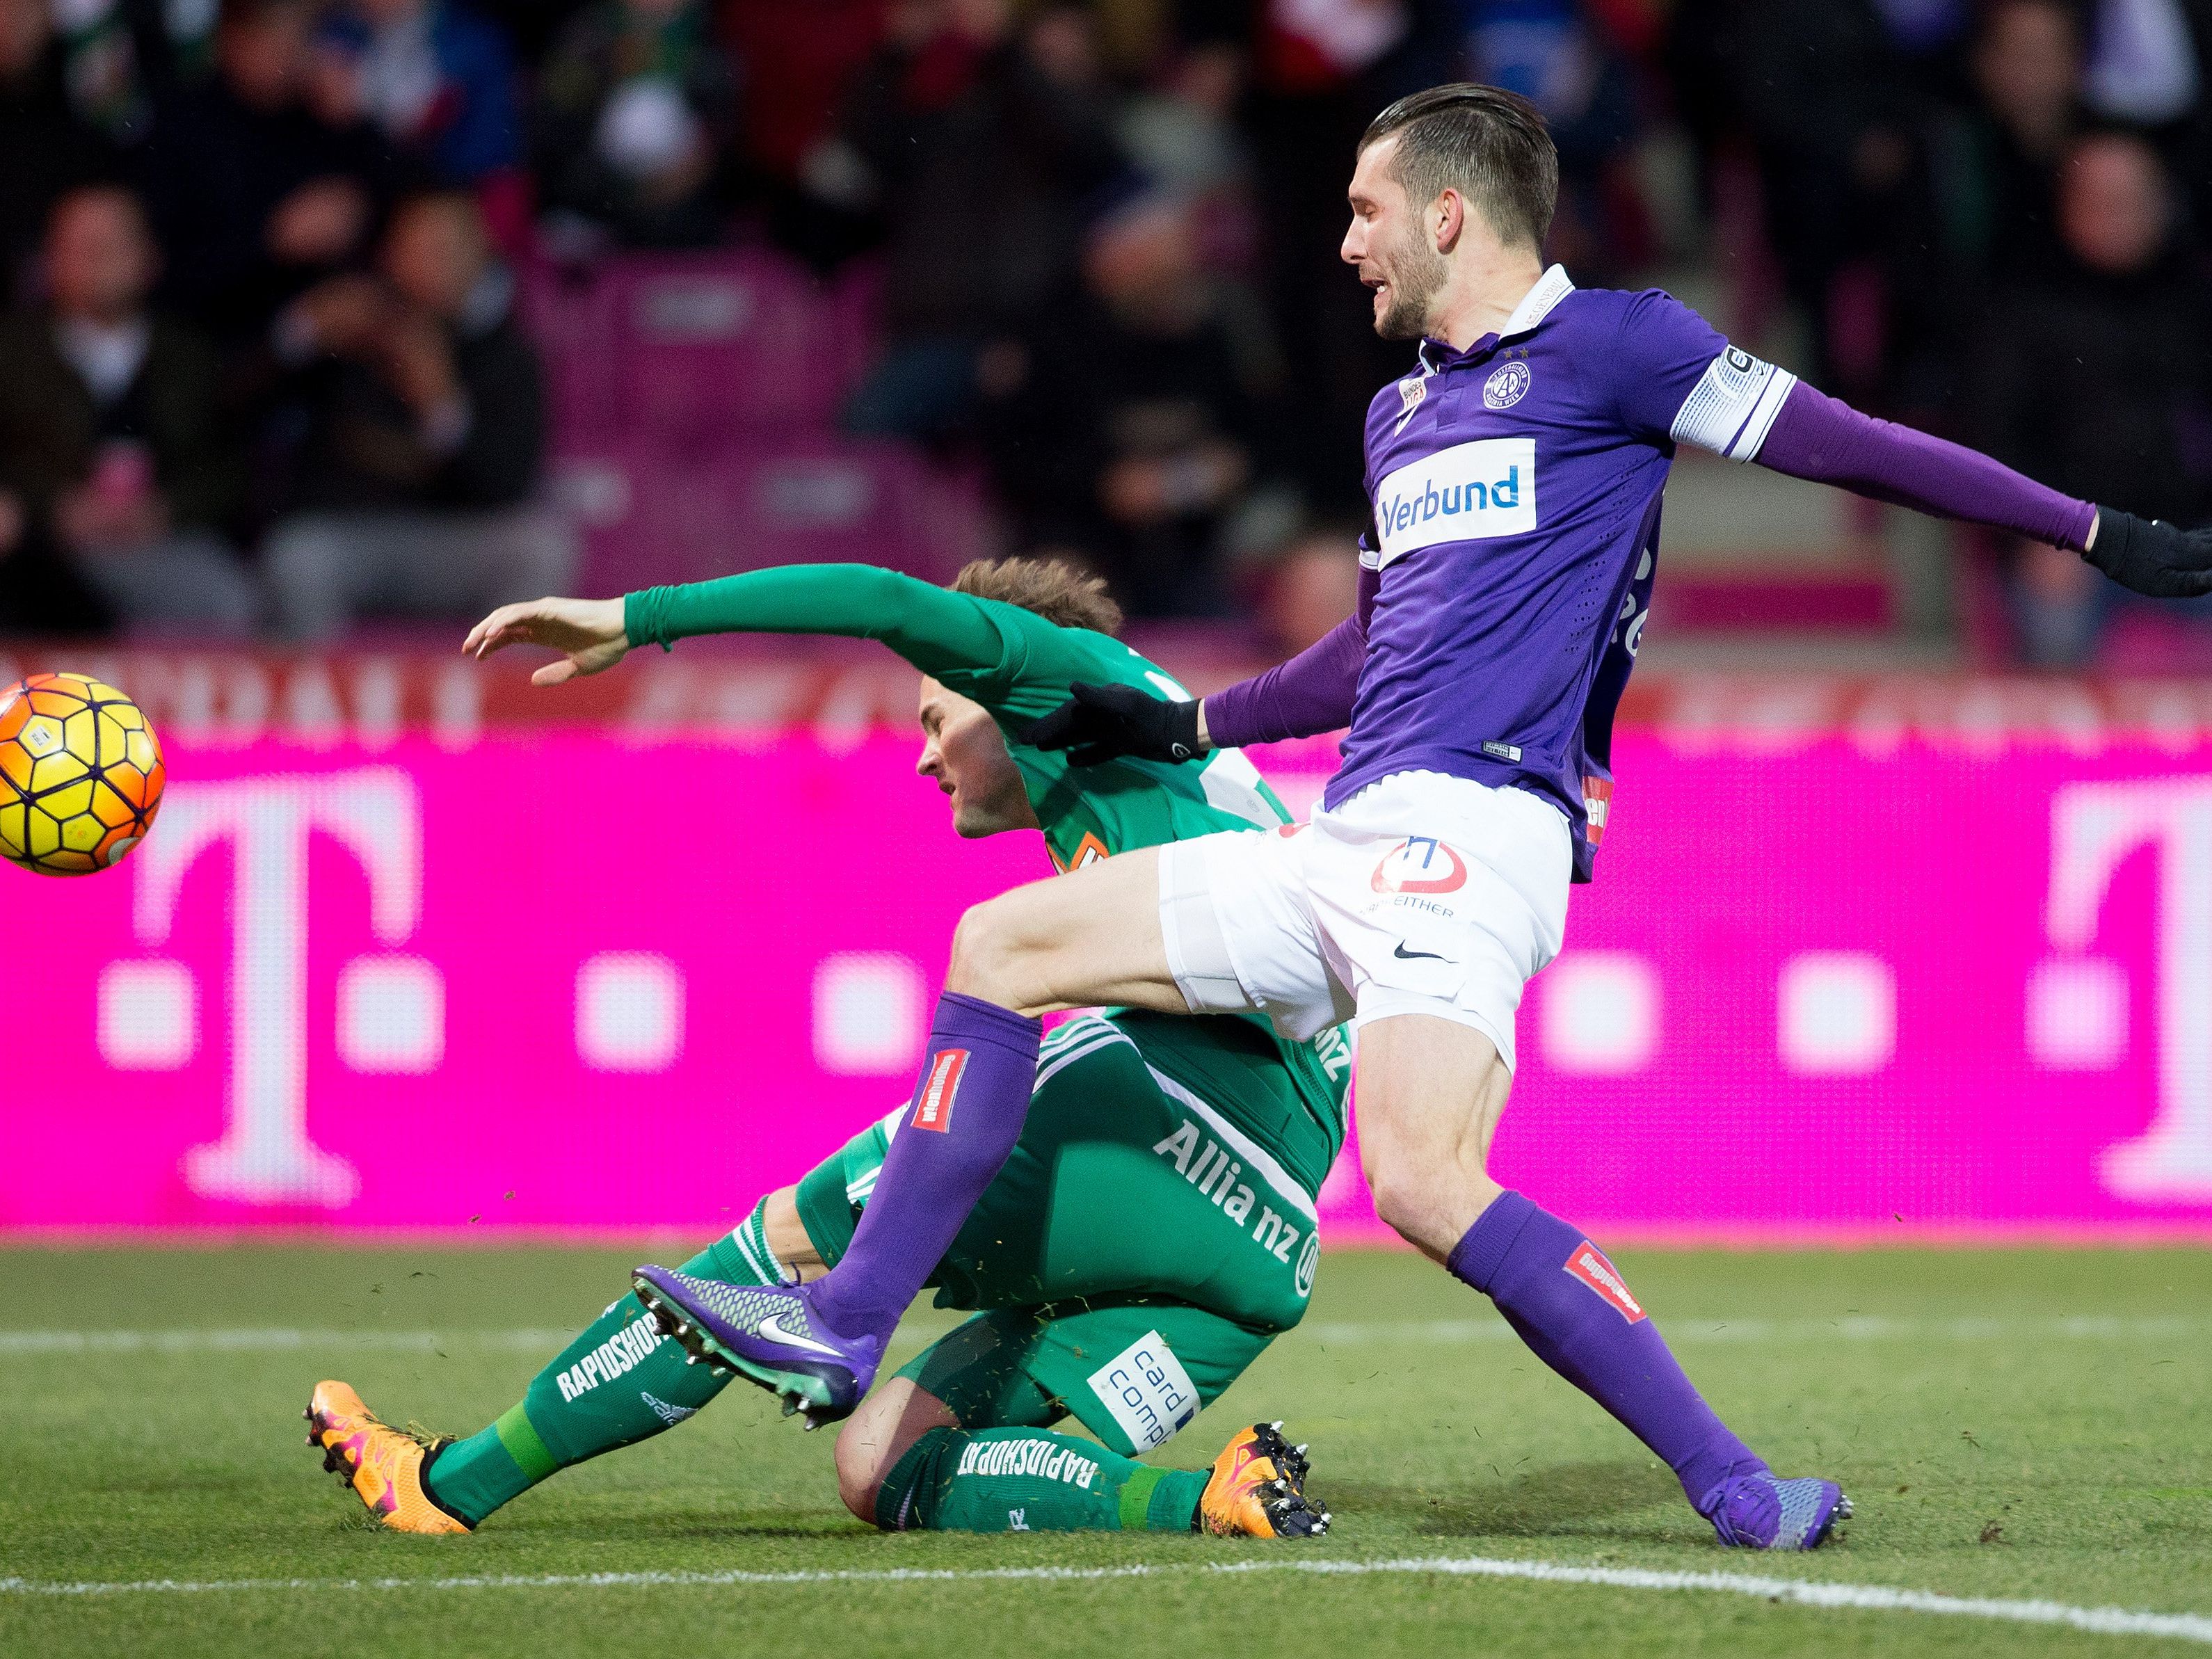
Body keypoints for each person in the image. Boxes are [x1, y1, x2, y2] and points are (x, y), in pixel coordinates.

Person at [638, 83, 2212, 1554]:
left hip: (1476, 828)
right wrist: (1193, 719)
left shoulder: (1621, 347)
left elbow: (1854, 445)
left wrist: (2088, 529)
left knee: (1422, 1182)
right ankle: (849, 1319)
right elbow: (1378, 645)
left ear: (1449, 214)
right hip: (1347, 827)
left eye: (1365, 207)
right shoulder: (1404, 418)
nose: (1343, 241)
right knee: (1007, 935)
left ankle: (1737, 1486)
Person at [307, 556, 1338, 1541]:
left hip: (1163, 1123)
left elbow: (877, 595)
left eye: (938, 718)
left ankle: (452, 1479)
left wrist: (638, 618)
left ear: (996, 685)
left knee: (777, 1248)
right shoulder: (1173, 768)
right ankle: (1214, 1497)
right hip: (1267, 1254)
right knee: (885, 1466)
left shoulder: (1054, 667)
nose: (927, 754)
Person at [261, 189, 571, 640]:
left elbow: (508, 484)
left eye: (450, 249)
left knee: (540, 547)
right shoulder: (348, 337)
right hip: (356, 535)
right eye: (422, 248)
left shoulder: (507, 355)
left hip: (457, 542)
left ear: (481, 257)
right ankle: (319, 708)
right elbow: (235, 408)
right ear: (390, 256)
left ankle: (507, 702)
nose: (436, 263)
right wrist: (301, 332)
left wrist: (442, 408)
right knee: (296, 555)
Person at [1961, 131, 2212, 665]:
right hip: (2076, 545)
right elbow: (1997, 449)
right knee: (2055, 625)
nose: (2118, 217)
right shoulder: (2022, 312)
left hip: (2193, 538)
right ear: (2069, 208)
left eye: (2133, 202)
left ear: (2164, 205)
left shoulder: (2196, 304)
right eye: (2102, 203)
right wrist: (2044, 535)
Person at [0, 186, 257, 636]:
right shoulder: (12, 351)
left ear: (150, 257)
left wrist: (165, 510)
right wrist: (52, 508)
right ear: (50, 261)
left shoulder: (191, 354)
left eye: (113, 244)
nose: (98, 259)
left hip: (162, 546)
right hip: (39, 555)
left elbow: (230, 467)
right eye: (81, 246)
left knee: (228, 596)